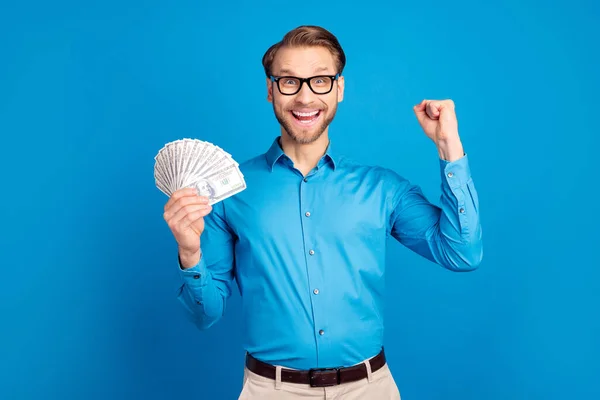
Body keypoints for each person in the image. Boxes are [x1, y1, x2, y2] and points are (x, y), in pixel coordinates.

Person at [162, 25, 483, 399]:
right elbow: (205, 315)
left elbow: (462, 253)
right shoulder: (229, 192)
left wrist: (449, 145)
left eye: (319, 81)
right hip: (270, 391)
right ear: (270, 90)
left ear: (339, 89)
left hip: (370, 390)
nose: (304, 97)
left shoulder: (382, 188)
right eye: (289, 82)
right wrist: (189, 253)